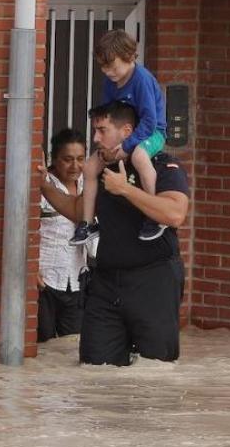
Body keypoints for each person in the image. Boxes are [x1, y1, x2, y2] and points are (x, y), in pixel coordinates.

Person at [79, 100, 189, 366]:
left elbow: (174, 214)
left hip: (153, 280)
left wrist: (125, 189)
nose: (95, 138)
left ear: (127, 131)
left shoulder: (162, 166)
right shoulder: (100, 169)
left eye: (102, 130)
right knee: (94, 368)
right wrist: (44, 187)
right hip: (106, 281)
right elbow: (79, 209)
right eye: (95, 131)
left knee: (155, 368)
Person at [73, 29, 168, 245]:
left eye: (113, 66)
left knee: (139, 157)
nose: (108, 72)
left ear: (129, 57)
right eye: (104, 67)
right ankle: (87, 222)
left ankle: (155, 214)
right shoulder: (110, 82)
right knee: (90, 167)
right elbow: (109, 115)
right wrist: (109, 146)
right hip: (123, 134)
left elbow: (150, 122)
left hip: (151, 133)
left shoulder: (141, 79)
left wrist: (127, 146)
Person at [35, 128, 87, 343]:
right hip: (45, 279)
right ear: (54, 159)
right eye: (67, 159)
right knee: (42, 342)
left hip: (76, 279)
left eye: (80, 159)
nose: (75, 166)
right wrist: (31, 269)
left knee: (71, 344)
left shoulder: (89, 185)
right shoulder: (40, 187)